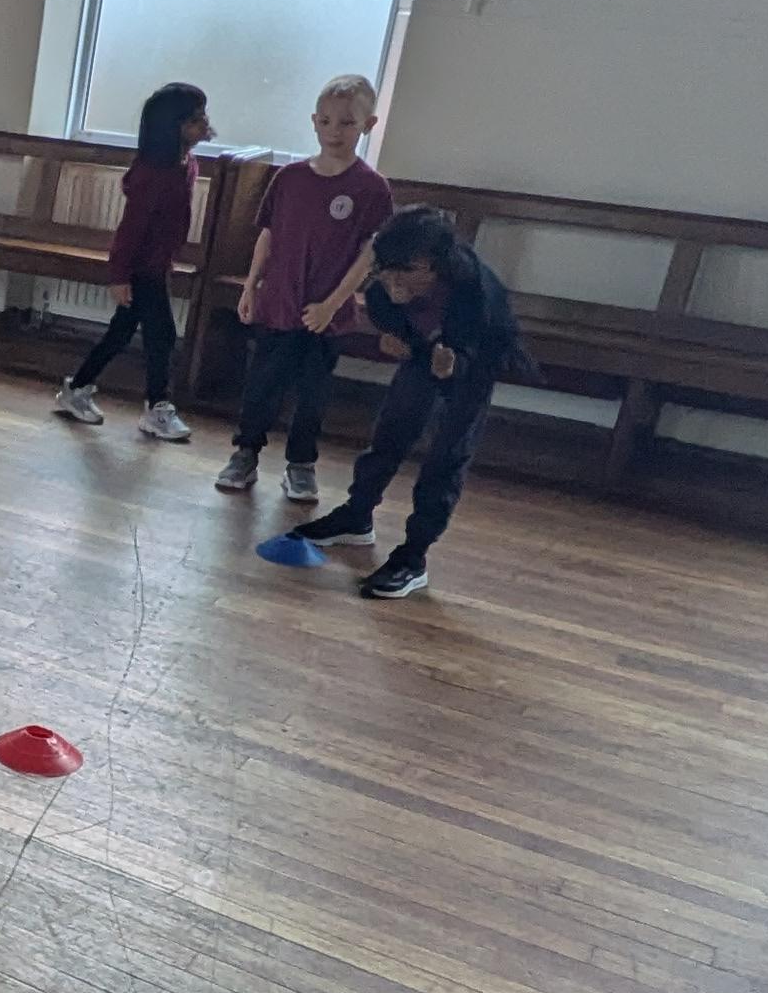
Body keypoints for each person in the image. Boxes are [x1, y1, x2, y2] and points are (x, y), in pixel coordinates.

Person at [282, 206, 532, 600]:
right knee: (389, 435)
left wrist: (456, 364)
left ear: (436, 265)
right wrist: (399, 340)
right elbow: (387, 316)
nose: (394, 280)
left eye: (407, 271)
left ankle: (413, 559)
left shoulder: (476, 291)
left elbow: (494, 349)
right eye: (388, 270)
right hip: (424, 358)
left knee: (446, 457)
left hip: (472, 366)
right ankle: (357, 516)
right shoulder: (385, 285)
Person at [214, 74, 392, 503]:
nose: (335, 131)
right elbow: (268, 234)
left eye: (347, 123)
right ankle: (245, 453)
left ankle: (301, 465)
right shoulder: (290, 178)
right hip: (279, 303)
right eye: (326, 121)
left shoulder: (371, 188)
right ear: (314, 121)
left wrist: (332, 304)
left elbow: (369, 254)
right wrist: (251, 286)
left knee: (313, 393)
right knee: (263, 384)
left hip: (325, 315)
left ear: (368, 125)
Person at [55, 81, 210, 441]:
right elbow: (131, 230)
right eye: (195, 119)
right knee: (162, 334)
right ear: (172, 127)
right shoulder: (154, 174)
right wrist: (119, 275)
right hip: (141, 267)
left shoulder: (185, 164)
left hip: (157, 264)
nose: (204, 124)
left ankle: (76, 389)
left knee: (121, 332)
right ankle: (157, 407)